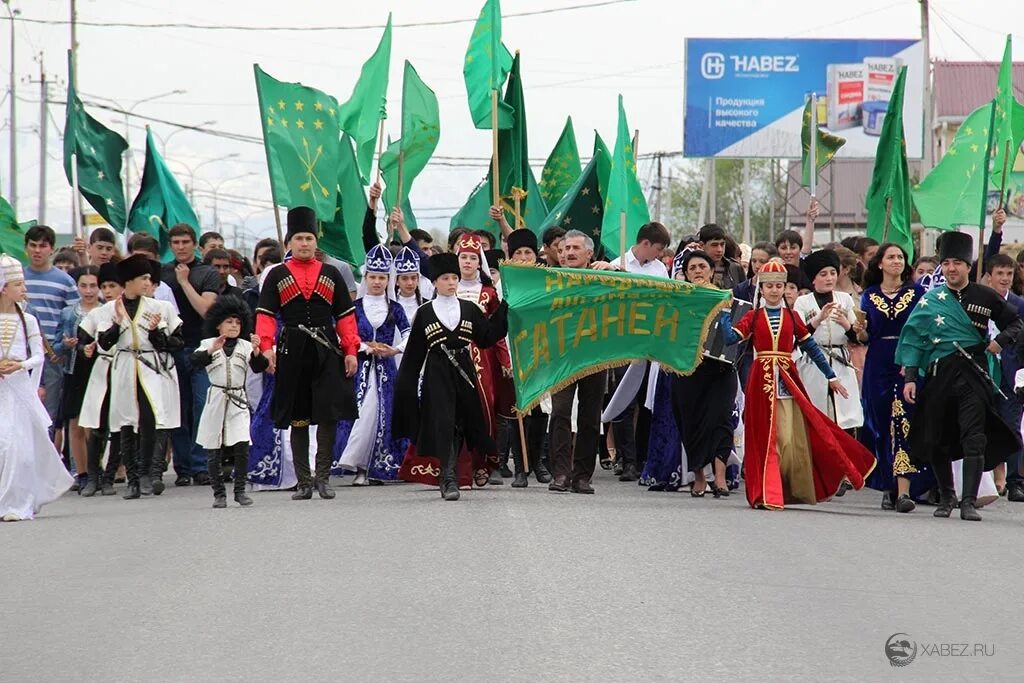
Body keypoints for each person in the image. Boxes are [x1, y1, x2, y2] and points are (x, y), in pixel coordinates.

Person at [728, 260, 876, 509]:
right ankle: (767, 492)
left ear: (785, 288)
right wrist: (720, 314)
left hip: (788, 380)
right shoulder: (752, 317)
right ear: (761, 290)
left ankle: (786, 489)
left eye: (779, 286)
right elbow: (732, 338)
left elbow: (812, 349)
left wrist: (832, 377)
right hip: (761, 382)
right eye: (769, 287)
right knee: (765, 437)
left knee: (788, 438)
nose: (774, 291)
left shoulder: (792, 316)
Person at [897, 232, 1024, 522]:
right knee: (939, 437)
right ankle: (947, 497)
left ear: (968, 266)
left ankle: (968, 501)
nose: (951, 268)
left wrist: (999, 341)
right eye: (947, 263)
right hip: (940, 372)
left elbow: (1016, 323)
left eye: (957, 263)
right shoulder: (932, 299)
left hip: (974, 372)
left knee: (974, 437)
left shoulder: (985, 295)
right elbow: (914, 339)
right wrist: (911, 378)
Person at [255, 206, 360, 501]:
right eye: (299, 238)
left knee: (327, 415)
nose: (304, 243)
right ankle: (303, 482)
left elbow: (345, 317)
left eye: (309, 238)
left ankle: (323, 478)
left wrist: (350, 350)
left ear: (316, 242)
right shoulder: (276, 275)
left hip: (326, 350)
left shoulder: (331, 273)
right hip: (292, 350)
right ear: (289, 242)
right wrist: (266, 348)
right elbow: (265, 316)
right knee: (298, 416)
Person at [394, 252, 509, 501]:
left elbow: (487, 337)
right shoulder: (424, 313)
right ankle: (447, 478)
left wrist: (505, 308)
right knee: (443, 422)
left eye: (454, 277)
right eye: (445, 278)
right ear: (435, 282)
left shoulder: (469, 309)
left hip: (465, 371)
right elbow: (414, 356)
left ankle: (456, 471)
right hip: (437, 373)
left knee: (461, 423)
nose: (451, 282)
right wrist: (406, 389)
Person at [97, 255, 184, 499]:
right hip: (125, 365)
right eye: (143, 278)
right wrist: (115, 327)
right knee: (126, 422)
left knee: (149, 418)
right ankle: (133, 479)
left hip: (150, 366)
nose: (148, 282)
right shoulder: (112, 308)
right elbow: (103, 342)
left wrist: (157, 333)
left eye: (148, 278)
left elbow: (177, 341)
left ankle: (146, 473)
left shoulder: (160, 307)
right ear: (129, 281)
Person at [592, 222, 671, 481]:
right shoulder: (617, 265)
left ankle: (641, 457)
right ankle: (626, 460)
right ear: (645, 243)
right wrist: (616, 275)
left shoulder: (660, 270)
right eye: (658, 249)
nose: (659, 255)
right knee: (623, 400)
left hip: (651, 343)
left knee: (645, 402)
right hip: (624, 343)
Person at [0, 255, 74, 521]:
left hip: (18, 387)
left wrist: (20, 366)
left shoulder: (28, 319)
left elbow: (39, 356)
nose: (24, 289)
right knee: (2, 443)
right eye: (18, 284)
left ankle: (16, 501)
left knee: (18, 446)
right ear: (4, 287)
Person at [857, 244, 929, 512]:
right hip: (878, 363)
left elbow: (922, 329)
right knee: (879, 422)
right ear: (880, 264)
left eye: (900, 257)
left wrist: (912, 362)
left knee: (905, 421)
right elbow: (866, 336)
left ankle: (904, 491)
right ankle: (887, 485)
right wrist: (858, 330)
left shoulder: (917, 293)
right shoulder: (869, 295)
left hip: (906, 361)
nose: (897, 261)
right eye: (891, 257)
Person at [334, 245, 411, 484]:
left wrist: (394, 349)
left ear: (388, 280)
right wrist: (364, 347)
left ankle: (378, 465)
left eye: (381, 278)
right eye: (373, 277)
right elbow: (342, 335)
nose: (377, 282)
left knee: (383, 414)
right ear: (366, 278)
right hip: (360, 369)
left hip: (386, 370)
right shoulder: (354, 308)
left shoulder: (395, 308)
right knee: (361, 412)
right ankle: (358, 464)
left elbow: (410, 334)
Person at [672, 250, 742, 497]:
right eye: (692, 268)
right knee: (691, 421)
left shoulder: (728, 299)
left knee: (721, 420)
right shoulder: (680, 301)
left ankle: (720, 477)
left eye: (702, 266)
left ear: (712, 271)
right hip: (688, 369)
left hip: (721, 370)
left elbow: (737, 333)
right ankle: (699, 476)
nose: (698, 271)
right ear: (686, 274)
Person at [192, 295, 268, 508]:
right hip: (216, 397)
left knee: (242, 443)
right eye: (229, 321)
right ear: (218, 324)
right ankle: (218, 493)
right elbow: (195, 362)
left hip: (237, 398)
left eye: (237, 322)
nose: (234, 326)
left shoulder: (245, 346)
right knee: (213, 445)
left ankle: (240, 490)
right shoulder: (207, 344)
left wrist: (256, 351)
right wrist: (211, 350)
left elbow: (259, 367)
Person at [548, 230, 608, 494]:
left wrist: (615, 268)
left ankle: (582, 476)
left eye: (575, 248)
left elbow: (636, 290)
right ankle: (560, 473)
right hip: (562, 356)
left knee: (590, 416)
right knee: (560, 412)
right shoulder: (550, 280)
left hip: (595, 355)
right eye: (565, 248)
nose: (569, 252)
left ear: (589, 254)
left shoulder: (606, 278)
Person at [162, 223, 221, 487]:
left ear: (195, 244)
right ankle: (183, 467)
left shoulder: (207, 273)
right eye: (176, 242)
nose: (181, 247)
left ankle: (200, 465)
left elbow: (206, 310)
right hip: (172, 351)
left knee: (201, 406)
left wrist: (185, 282)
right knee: (179, 409)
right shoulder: (162, 274)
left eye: (185, 242)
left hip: (201, 348)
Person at [454, 232, 513, 486]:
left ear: (480, 262)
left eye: (472, 258)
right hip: (452, 357)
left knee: (484, 409)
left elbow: (497, 333)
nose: (467, 262)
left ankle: (483, 464)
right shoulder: (448, 288)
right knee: (456, 411)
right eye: (463, 257)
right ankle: (457, 467)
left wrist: (505, 361)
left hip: (483, 360)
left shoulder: (488, 293)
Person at [793, 249, 865, 432]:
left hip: (841, 359)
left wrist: (847, 325)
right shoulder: (803, 302)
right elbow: (799, 336)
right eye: (823, 274)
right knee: (816, 413)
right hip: (813, 362)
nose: (829, 278)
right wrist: (818, 320)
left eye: (833, 273)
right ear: (813, 279)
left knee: (846, 416)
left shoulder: (845, 300)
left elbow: (857, 338)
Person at [503, 228, 553, 486]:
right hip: (514, 350)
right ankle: (520, 467)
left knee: (540, 410)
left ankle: (537, 461)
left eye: (528, 252)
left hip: (541, 348)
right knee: (519, 410)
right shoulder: (505, 283)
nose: (523, 257)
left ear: (536, 255)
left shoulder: (546, 280)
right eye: (518, 253)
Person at [23, 226, 80, 446]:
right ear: (26, 248)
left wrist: (62, 347)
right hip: (20, 355)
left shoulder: (64, 281)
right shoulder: (17, 278)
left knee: (48, 413)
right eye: (33, 245)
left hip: (51, 356)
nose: (37, 251)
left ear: (52, 249)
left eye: (43, 246)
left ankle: (46, 463)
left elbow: (73, 317)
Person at [52, 265, 102, 492]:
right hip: (75, 370)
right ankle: (81, 472)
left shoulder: (107, 311)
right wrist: (67, 344)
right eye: (84, 285)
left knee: (95, 424)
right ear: (77, 287)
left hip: (100, 370)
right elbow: (56, 346)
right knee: (75, 424)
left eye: (93, 285)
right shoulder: (68, 313)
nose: (89, 291)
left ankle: (97, 469)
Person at [76, 263, 124, 497]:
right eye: (104, 286)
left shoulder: (131, 311)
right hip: (102, 370)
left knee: (119, 425)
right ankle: (93, 477)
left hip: (124, 369)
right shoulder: (97, 314)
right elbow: (82, 339)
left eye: (112, 285)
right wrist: (85, 348)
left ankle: (109, 477)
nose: (107, 291)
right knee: (97, 425)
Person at [984, 253, 1024, 500]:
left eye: (1009, 274)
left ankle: (1015, 481)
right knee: (985, 424)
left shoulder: (1020, 304)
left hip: (1011, 373)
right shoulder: (979, 299)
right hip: (983, 370)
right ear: (990, 276)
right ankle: (988, 478)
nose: (1005, 279)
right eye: (999, 273)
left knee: (1011, 427)